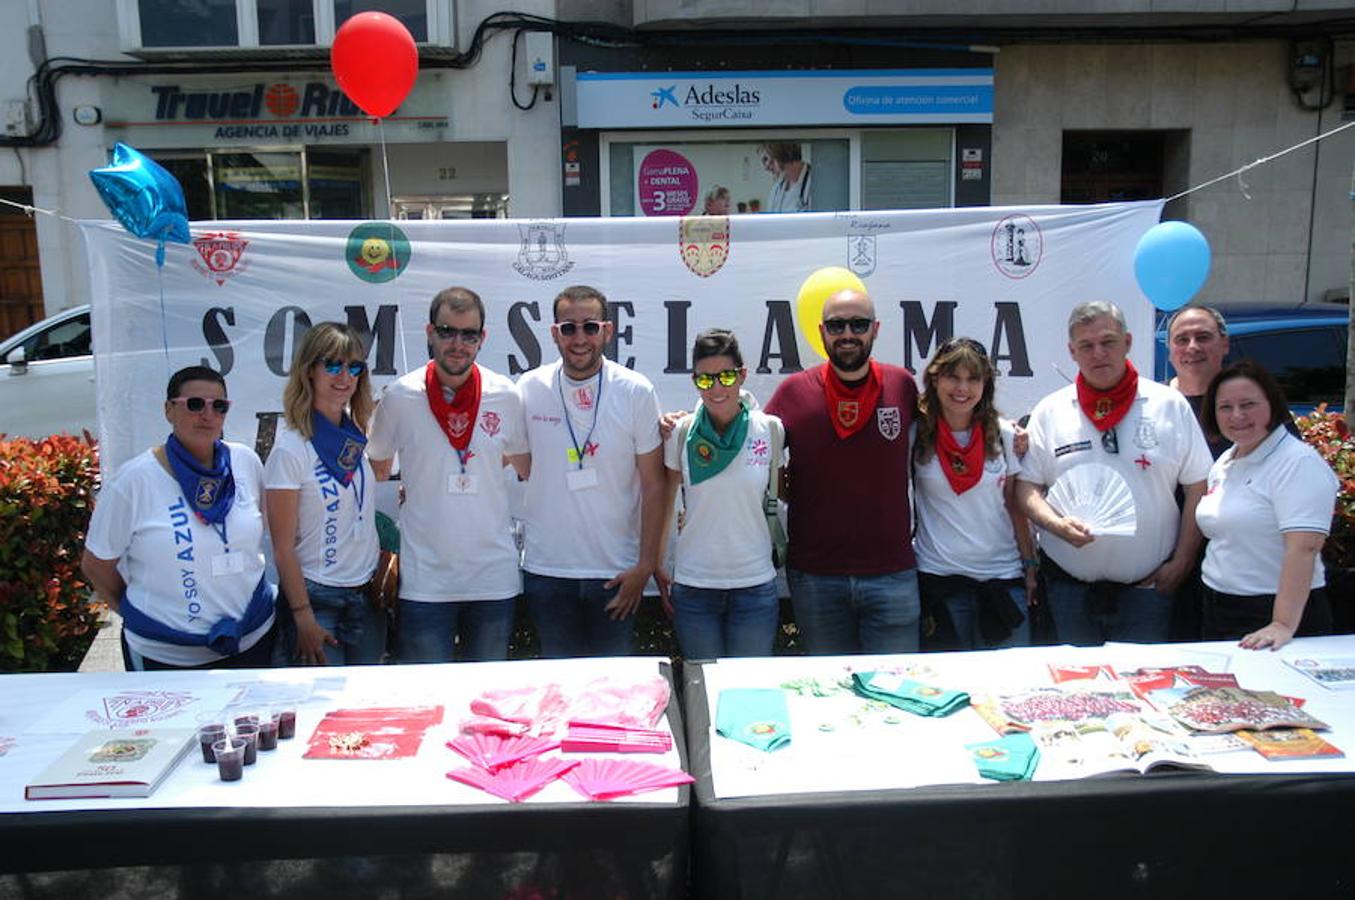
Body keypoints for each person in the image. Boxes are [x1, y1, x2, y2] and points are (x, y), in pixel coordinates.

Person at [1016, 301, 1212, 646]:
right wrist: (1054, 524)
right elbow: (1026, 488)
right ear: (1071, 351)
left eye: (1108, 342)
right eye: (1086, 346)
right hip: (1069, 590)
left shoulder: (1168, 404)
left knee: (1149, 690)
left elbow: (1198, 485)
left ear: (1128, 342)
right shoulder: (1051, 410)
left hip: (1150, 590)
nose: (1098, 354)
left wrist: (1182, 561)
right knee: (1074, 695)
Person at [366, 287, 528, 663]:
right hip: (425, 583)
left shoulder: (505, 394)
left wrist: (472, 464)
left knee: (484, 702)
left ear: (482, 338)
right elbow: (377, 467)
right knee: (426, 699)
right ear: (429, 332)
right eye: (447, 331)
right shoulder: (400, 396)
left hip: (492, 579)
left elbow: (525, 463)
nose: (458, 343)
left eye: (469, 334)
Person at [81, 366, 276, 670]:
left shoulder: (245, 462)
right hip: (166, 658)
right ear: (169, 410)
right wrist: (144, 617)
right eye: (195, 404)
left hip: (252, 643)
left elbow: (258, 532)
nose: (207, 414)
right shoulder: (133, 481)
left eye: (219, 406)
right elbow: (96, 565)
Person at [765, 287, 920, 654]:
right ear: (821, 332)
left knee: (895, 695)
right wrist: (683, 424)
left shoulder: (903, 385)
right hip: (816, 576)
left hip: (892, 575)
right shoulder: (793, 392)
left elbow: (952, 425)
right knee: (829, 699)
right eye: (836, 325)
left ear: (876, 329)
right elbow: (749, 445)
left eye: (858, 324)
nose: (847, 334)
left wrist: (1006, 433)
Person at [516, 284, 666, 657]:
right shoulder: (529, 388)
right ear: (554, 333)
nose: (579, 338)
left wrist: (645, 565)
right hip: (548, 571)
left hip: (615, 572)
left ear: (608, 331)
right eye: (568, 328)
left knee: (611, 695)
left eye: (590, 327)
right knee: (561, 693)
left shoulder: (635, 391)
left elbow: (654, 485)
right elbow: (513, 461)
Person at [1196, 360, 1338, 650]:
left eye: (1248, 404)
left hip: (1275, 616)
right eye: (1225, 407)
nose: (1237, 416)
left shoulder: (1298, 463)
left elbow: (1304, 547)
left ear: (1272, 405)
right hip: (1219, 607)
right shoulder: (1227, 460)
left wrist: (1282, 624)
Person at [660, 329, 783, 659]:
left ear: (742, 375)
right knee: (702, 691)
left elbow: (781, 492)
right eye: (705, 380)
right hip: (695, 586)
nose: (716, 388)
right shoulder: (681, 432)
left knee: (748, 693)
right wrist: (658, 566)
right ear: (695, 381)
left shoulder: (770, 429)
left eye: (726, 377)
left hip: (755, 585)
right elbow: (665, 505)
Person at [264, 322, 383, 666]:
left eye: (354, 367)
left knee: (363, 709)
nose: (344, 376)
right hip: (316, 600)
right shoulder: (291, 449)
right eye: (332, 365)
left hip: (364, 596)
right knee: (320, 713)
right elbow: (282, 547)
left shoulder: (355, 439)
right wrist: (302, 616)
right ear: (309, 371)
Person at [912, 338, 1037, 650]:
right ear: (935, 378)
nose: (962, 388)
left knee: (1011, 692)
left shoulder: (1006, 435)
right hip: (939, 579)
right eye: (953, 377)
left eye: (973, 379)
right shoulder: (916, 434)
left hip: (1002, 579)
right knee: (944, 690)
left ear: (986, 384)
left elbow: (1014, 506)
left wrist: (1031, 567)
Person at [1166, 303, 1231, 458]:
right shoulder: (1153, 403)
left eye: (1203, 338)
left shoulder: (1251, 401)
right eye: (1182, 340)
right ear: (1169, 349)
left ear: (1225, 344)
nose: (1193, 347)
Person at [758, 143, 812, 213]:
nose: (766, 167)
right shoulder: (777, 189)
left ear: (785, 155)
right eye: (764, 161)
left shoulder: (814, 184)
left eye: (770, 160)